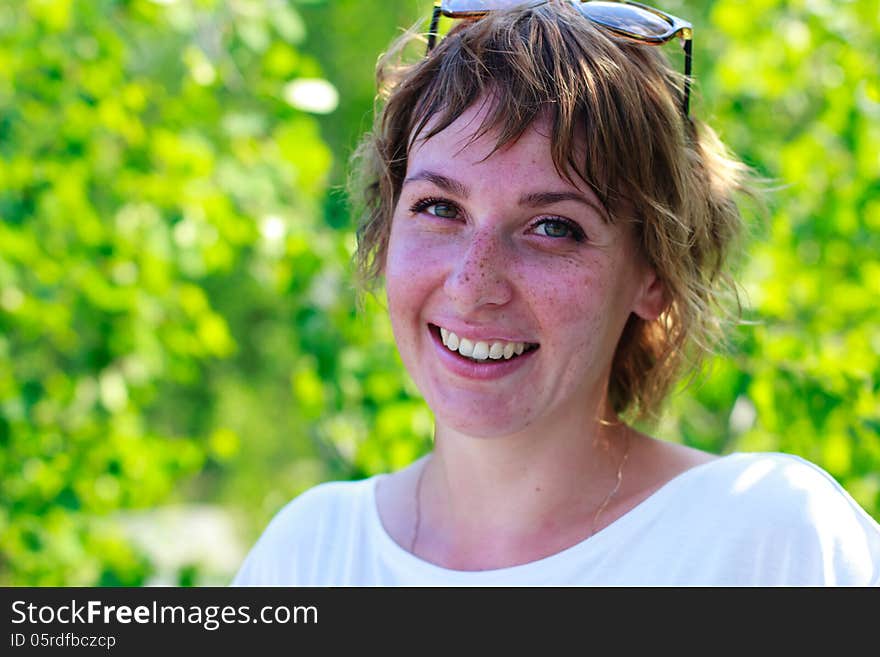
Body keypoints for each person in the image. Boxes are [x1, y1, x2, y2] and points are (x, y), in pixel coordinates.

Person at [232, 0, 880, 585]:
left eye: (553, 226)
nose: (473, 282)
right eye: (438, 208)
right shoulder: (309, 555)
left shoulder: (768, 539)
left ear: (653, 274)